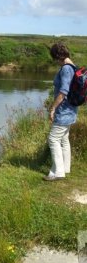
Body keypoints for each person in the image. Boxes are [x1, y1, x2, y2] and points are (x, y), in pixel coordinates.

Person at [43, 42, 78, 181]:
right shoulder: (73, 67)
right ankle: (65, 168)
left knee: (53, 139)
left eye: (54, 58)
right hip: (71, 110)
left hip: (64, 111)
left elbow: (63, 92)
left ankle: (59, 172)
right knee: (63, 139)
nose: (54, 61)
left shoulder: (66, 69)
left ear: (58, 56)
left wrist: (52, 108)